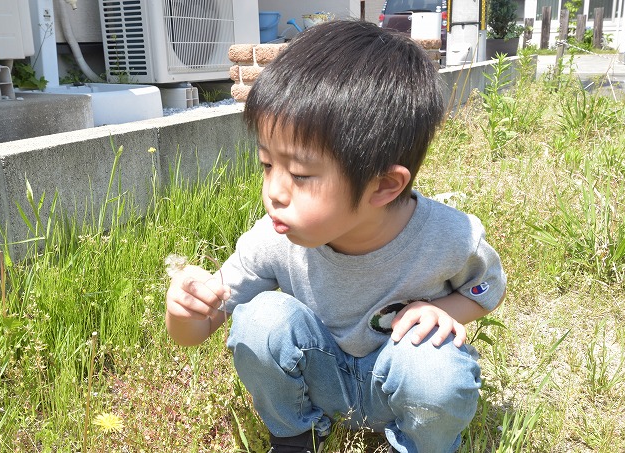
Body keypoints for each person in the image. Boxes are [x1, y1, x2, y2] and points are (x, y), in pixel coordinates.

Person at [165, 20, 506, 453]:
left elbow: (487, 288)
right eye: (267, 165)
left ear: (384, 185)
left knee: (439, 371)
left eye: (302, 175)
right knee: (259, 318)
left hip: (401, 377)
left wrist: (446, 310)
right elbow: (199, 329)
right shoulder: (273, 239)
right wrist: (185, 310)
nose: (274, 192)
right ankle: (296, 436)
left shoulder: (450, 237)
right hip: (322, 376)